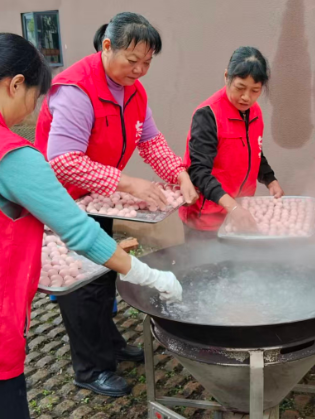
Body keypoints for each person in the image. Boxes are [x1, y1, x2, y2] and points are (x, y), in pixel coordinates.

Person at [0, 33, 181, 419]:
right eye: (35, 96)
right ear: (16, 85)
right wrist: (149, 276)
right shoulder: (8, 153)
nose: (34, 109)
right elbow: (79, 232)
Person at [34, 12, 197, 397]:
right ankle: (91, 368)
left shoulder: (134, 92)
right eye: (132, 60)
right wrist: (128, 183)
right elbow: (63, 160)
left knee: (106, 271)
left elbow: (151, 142)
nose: (139, 70)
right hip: (62, 203)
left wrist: (179, 174)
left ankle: (108, 341)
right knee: (81, 284)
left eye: (147, 63)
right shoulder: (76, 89)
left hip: (97, 199)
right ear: (107, 46)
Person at [180, 46, 283, 239]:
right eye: (240, 88)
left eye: (255, 90)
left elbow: (254, 151)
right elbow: (198, 171)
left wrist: (270, 180)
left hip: (239, 215)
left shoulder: (255, 112)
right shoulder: (208, 115)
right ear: (227, 76)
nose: (246, 97)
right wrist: (232, 206)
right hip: (206, 220)